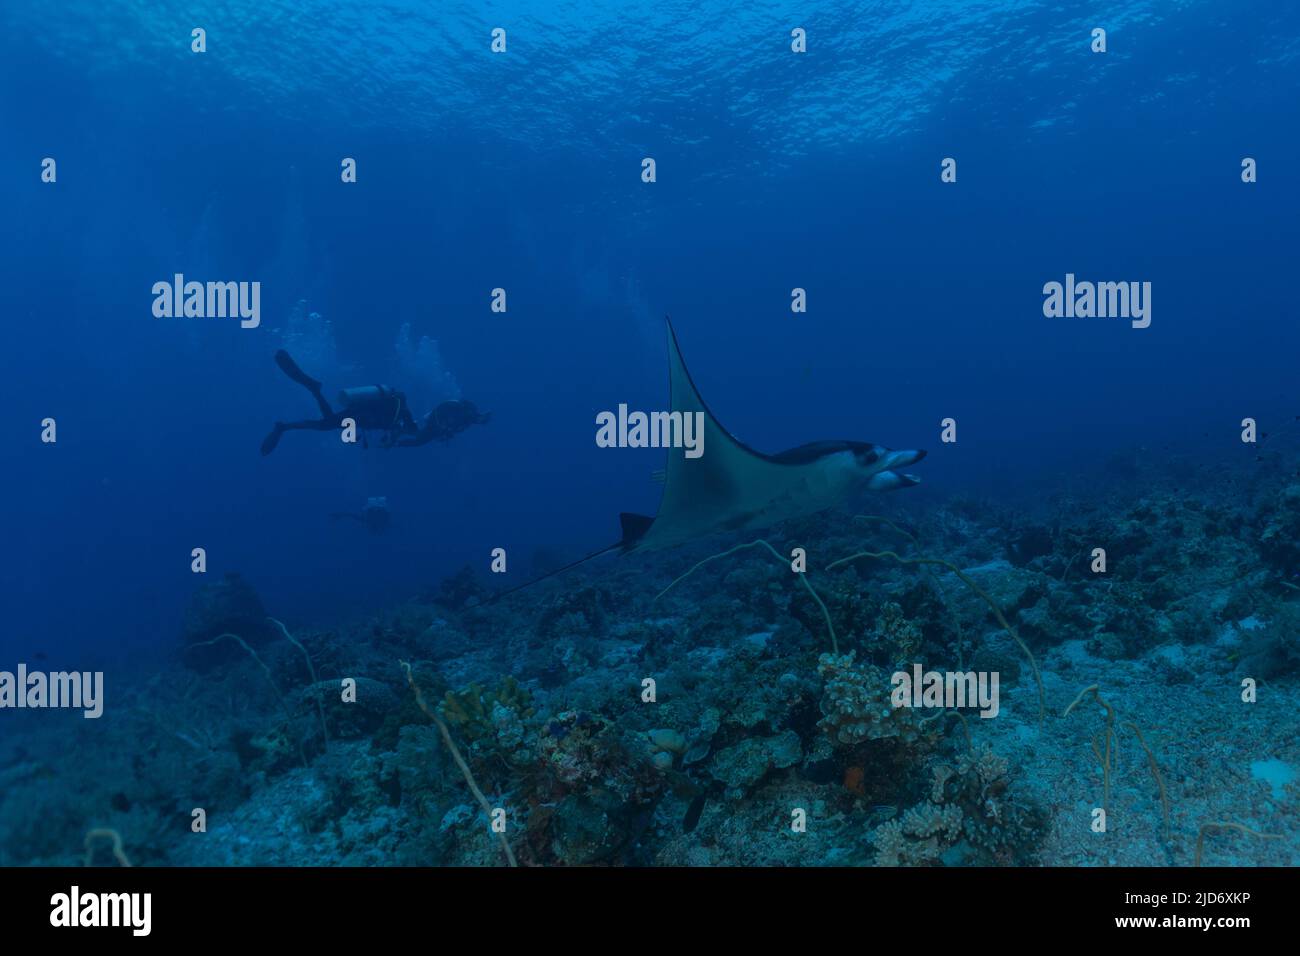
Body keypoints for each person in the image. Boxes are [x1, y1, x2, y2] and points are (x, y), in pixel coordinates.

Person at [260, 350, 488, 454]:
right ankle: (311, 392)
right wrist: (398, 436)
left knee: (325, 424)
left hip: (360, 417)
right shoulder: (403, 412)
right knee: (326, 424)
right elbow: (411, 429)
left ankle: (289, 421)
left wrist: (395, 440)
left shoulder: (403, 418)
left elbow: (413, 436)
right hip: (360, 415)